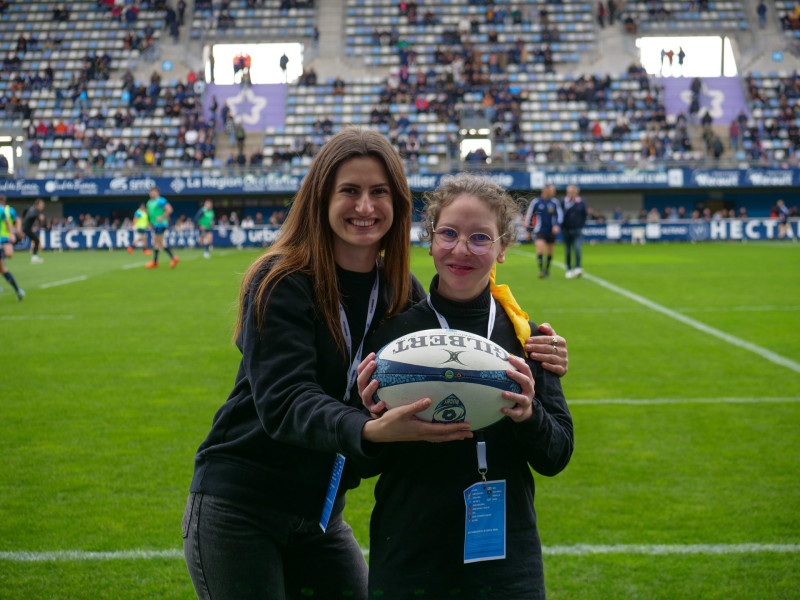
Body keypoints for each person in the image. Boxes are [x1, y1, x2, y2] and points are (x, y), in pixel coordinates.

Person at [182, 129, 570, 600]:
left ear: (397, 203)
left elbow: (456, 346)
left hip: (323, 510)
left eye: (379, 192)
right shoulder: (281, 280)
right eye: (349, 190)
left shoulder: (403, 295)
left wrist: (537, 345)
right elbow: (285, 401)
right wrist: (369, 431)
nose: (365, 207)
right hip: (243, 499)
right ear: (321, 198)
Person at [355, 173, 574, 598]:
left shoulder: (528, 336)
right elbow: (361, 465)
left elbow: (556, 455)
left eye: (480, 238)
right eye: (449, 234)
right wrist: (371, 422)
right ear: (430, 239)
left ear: (503, 248)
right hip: (409, 559)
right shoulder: (391, 338)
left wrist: (528, 414)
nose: (461, 250)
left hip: (507, 566)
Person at [524, 183, 563, 278]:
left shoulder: (555, 202)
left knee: (550, 252)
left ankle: (547, 271)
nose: (554, 192)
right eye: (552, 189)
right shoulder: (536, 202)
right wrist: (528, 231)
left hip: (551, 231)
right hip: (539, 230)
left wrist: (557, 226)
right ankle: (541, 271)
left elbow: (560, 216)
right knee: (540, 249)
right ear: (546, 190)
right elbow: (529, 216)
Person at [144, 186, 179, 269]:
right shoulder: (149, 202)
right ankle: (171, 258)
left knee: (157, 243)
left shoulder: (160, 201)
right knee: (160, 243)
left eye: (154, 192)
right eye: (151, 192)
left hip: (161, 224)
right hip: (155, 224)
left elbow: (169, 209)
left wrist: (162, 217)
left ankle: (157, 261)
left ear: (157, 193)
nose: (152, 194)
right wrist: (149, 223)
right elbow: (150, 214)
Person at [0, 195, 25, 300]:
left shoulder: (7, 210)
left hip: (4, 238)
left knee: (4, 265)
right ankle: (18, 291)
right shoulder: (2, 210)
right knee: (2, 268)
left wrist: (13, 233)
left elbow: (13, 221)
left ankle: (18, 291)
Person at [561, 184, 587, 279]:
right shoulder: (563, 201)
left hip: (577, 229)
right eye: (569, 192)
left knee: (577, 248)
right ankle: (568, 269)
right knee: (568, 250)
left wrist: (580, 225)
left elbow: (584, 215)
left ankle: (577, 267)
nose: (570, 193)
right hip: (566, 229)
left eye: (572, 191)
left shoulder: (581, 202)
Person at [21, 198, 45, 264]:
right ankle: (34, 258)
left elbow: (26, 213)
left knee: (36, 240)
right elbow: (31, 216)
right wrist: (39, 217)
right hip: (25, 229)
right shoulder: (35, 210)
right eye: (42, 204)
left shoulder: (32, 209)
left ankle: (34, 257)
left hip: (25, 228)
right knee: (37, 241)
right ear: (38, 204)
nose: (43, 206)